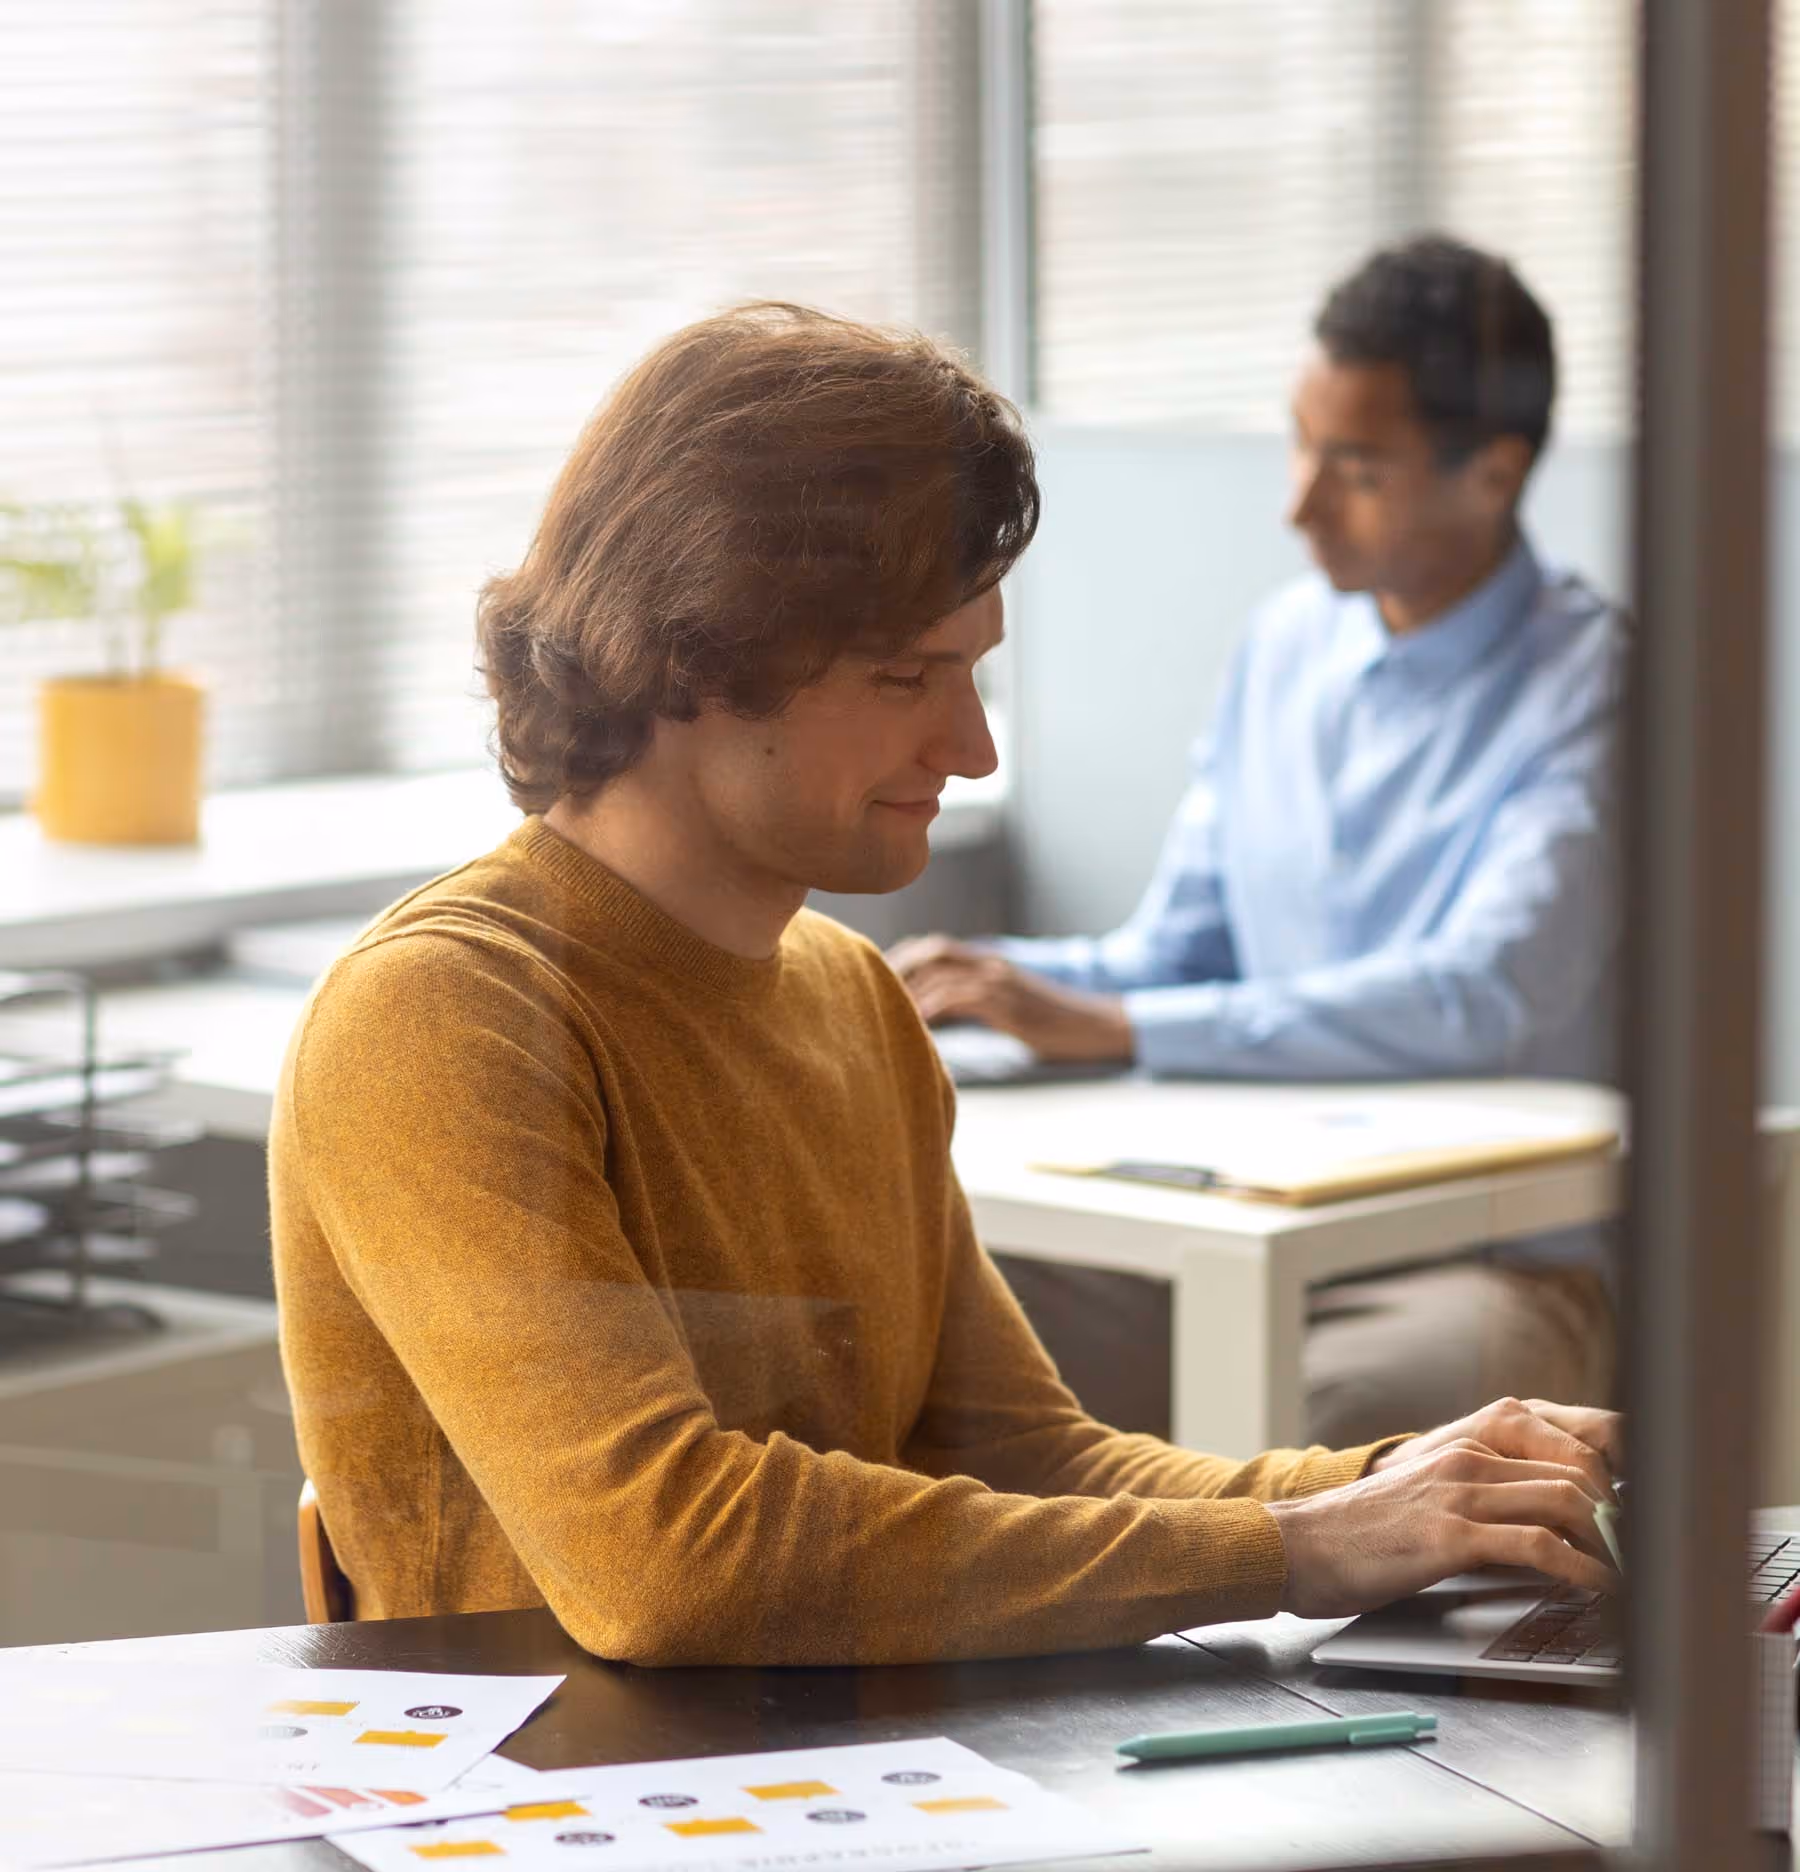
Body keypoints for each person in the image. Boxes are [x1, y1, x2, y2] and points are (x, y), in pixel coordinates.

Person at [270, 301, 1619, 1669]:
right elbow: (665, 1560)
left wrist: (1397, 1494)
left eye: (970, 671)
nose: (971, 749)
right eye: (907, 674)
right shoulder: (440, 1019)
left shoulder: (847, 998)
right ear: (692, 650)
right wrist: (1299, 1548)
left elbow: (1032, 1462)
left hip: (844, 1779)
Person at [890, 236, 1625, 1448]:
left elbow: (1485, 994)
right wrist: (985, 983)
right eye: (1300, 441)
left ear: (1494, 473)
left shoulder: (1600, 684)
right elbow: (1180, 949)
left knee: (1342, 1416)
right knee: (914, 1328)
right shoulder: (1287, 646)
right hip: (1233, 1217)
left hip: (1476, 1254)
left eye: (1357, 467)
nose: (1297, 502)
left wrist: (1121, 1027)